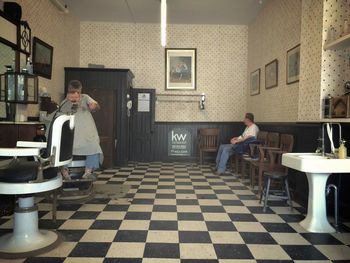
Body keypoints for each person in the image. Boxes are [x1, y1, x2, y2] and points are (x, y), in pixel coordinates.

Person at [58, 80, 103, 180]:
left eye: (77, 92)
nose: (75, 94)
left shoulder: (85, 97)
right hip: (71, 133)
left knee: (94, 146)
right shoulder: (64, 102)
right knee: (63, 147)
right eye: (73, 92)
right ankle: (64, 171)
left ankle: (88, 172)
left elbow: (96, 106)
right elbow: (59, 114)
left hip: (86, 134)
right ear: (69, 90)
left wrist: (94, 106)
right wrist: (68, 102)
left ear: (80, 91)